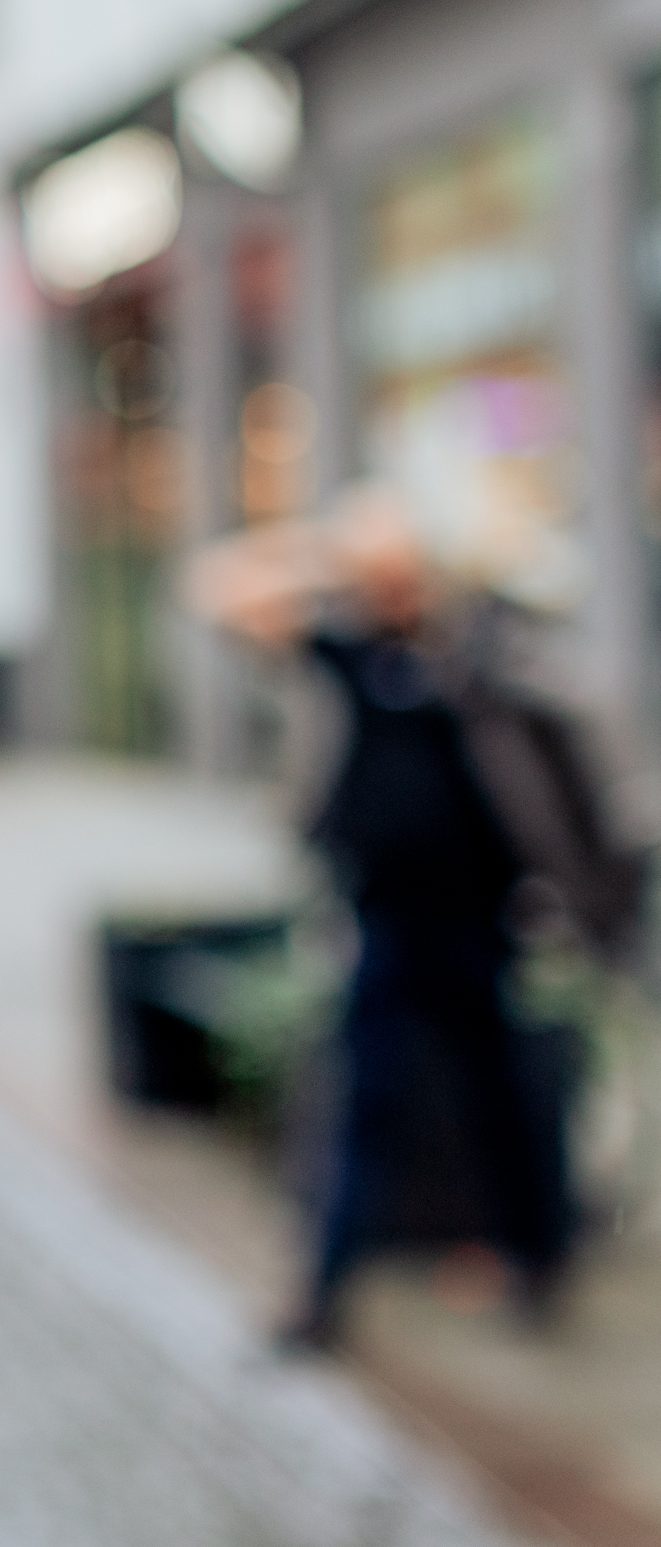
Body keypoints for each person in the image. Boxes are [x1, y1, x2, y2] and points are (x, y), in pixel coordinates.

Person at [189, 491, 576, 1350]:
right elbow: (214, 585)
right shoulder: (346, 652)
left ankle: (537, 1257)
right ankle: (323, 1288)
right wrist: (330, 550)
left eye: (400, 572)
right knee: (363, 1101)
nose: (389, 589)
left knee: (502, 1097)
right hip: (385, 921)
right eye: (377, 576)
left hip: (482, 921)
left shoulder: (472, 648)